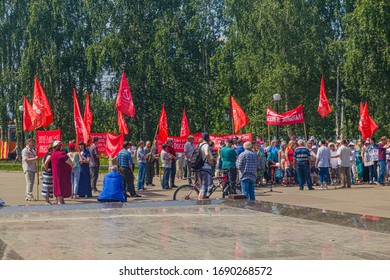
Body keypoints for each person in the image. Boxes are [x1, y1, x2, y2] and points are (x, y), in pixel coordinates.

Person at [197, 132, 214, 199]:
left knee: (201, 185)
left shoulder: (199, 145)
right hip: (205, 167)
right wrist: (210, 162)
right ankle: (203, 200)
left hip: (199, 167)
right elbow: (207, 154)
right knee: (205, 185)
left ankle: (199, 199)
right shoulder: (206, 145)